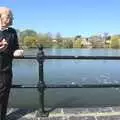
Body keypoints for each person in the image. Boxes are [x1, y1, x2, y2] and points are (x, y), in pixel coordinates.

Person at [0, 7, 23, 120]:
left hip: (5, 71)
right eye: (9, 16)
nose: (12, 18)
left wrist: (18, 51)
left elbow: (16, 47)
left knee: (4, 96)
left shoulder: (12, 32)